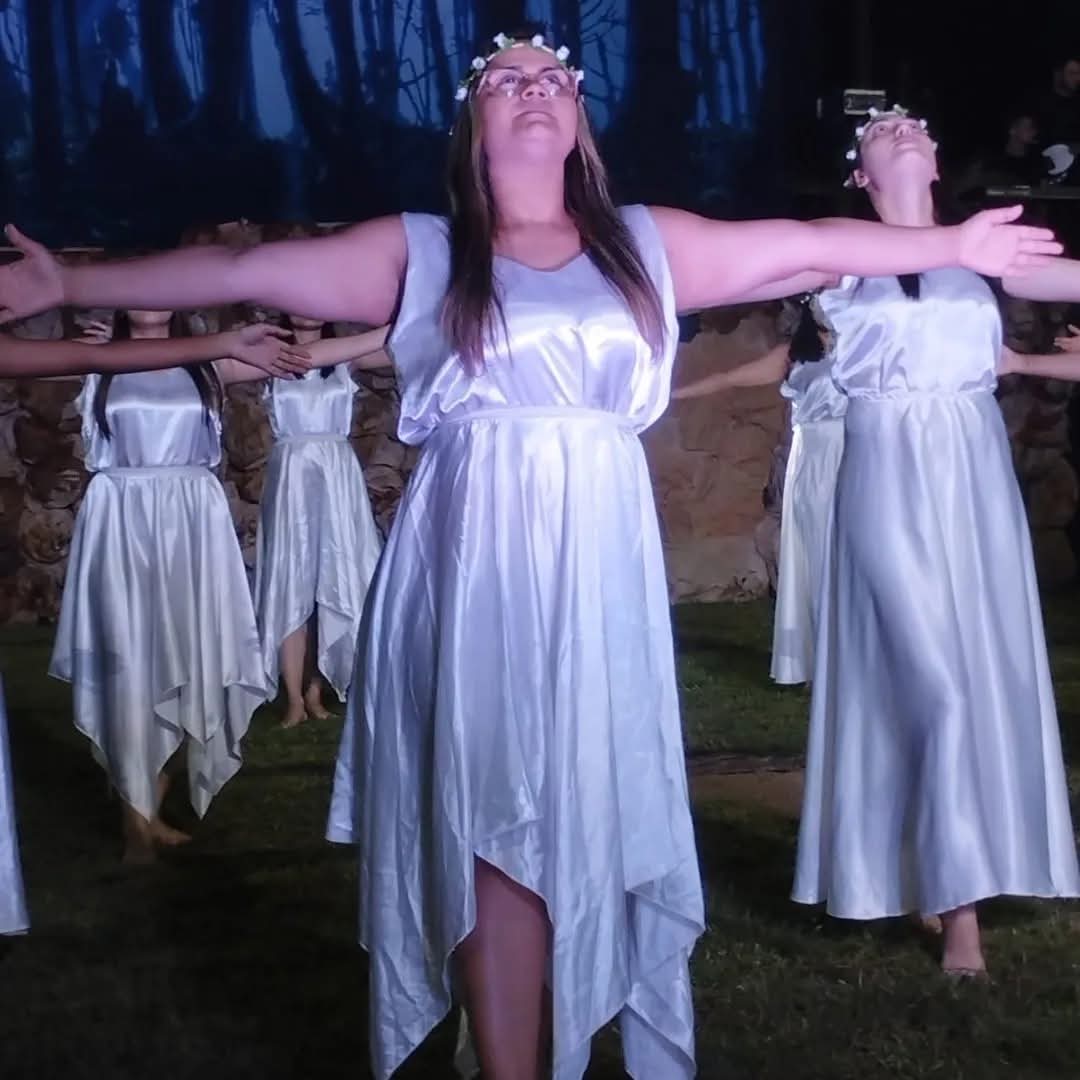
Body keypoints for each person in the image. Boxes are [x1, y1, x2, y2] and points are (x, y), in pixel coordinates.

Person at [0, 32, 1061, 1078]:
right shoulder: (423, 251)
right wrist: (70, 288)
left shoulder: (644, 243)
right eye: (507, 80)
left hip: (600, 557)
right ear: (475, 121)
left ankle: (582, 1012)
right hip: (472, 557)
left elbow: (803, 242)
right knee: (490, 812)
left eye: (554, 76)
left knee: (591, 793)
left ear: (579, 119)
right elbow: (241, 267)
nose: (534, 88)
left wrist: (953, 245)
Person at [792, 105, 1080, 979]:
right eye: (881, 130)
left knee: (972, 667)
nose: (902, 128)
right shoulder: (839, 255)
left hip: (973, 471)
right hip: (884, 466)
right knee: (934, 683)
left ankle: (941, 868)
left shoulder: (986, 253)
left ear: (939, 157)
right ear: (859, 175)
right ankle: (960, 922)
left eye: (914, 123)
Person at [0, 318, 305, 918]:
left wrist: (394, 328)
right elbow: (17, 357)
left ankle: (152, 805)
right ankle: (134, 822)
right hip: (123, 524)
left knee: (187, 660)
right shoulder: (98, 358)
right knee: (130, 667)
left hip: (190, 524)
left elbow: (309, 356)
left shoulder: (208, 362)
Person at [674, 299, 844, 685]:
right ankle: (818, 657)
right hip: (811, 460)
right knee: (814, 552)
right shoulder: (797, 353)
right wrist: (674, 394)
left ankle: (854, 653)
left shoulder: (864, 346)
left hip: (852, 453)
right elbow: (730, 378)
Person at [252, 316, 388, 728]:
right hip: (292, 475)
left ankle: (317, 688)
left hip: (336, 473)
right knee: (290, 580)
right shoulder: (269, 358)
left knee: (334, 575)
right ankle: (293, 697)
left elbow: (403, 348)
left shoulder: (347, 358)